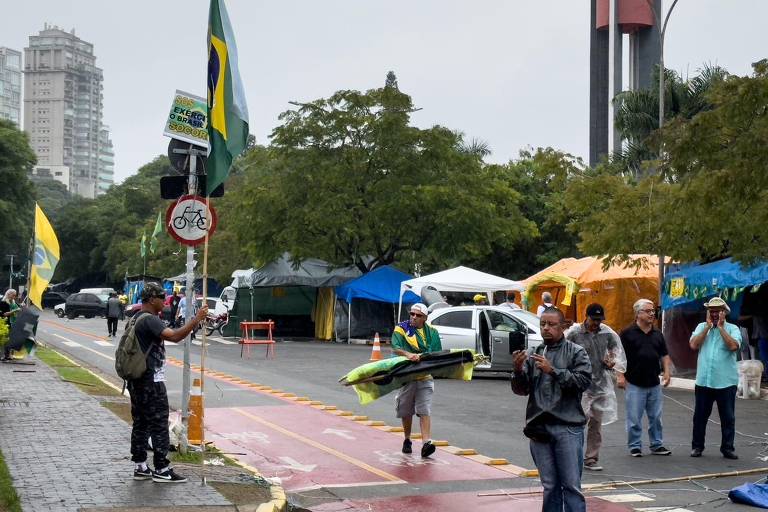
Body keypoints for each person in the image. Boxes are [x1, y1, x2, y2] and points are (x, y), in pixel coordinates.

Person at [512, 307, 592, 512]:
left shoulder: (576, 351)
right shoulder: (533, 353)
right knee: (549, 486)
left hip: (567, 427)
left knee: (571, 486)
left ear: (563, 326)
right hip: (539, 428)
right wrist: (518, 371)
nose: (546, 328)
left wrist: (554, 371)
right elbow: (521, 390)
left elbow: (582, 382)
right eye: (542, 324)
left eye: (551, 324)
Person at [127, 282, 208, 483]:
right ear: (152, 299)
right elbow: (175, 336)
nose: (165, 301)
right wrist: (196, 320)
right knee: (159, 422)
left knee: (141, 422)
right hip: (150, 381)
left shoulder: (135, 318)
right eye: (162, 298)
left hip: (136, 379)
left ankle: (140, 466)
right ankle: (162, 469)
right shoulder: (150, 320)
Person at [564, 303, 626, 471]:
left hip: (599, 384)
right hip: (578, 385)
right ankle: (571, 456)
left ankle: (591, 458)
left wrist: (611, 359)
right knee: (577, 422)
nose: (596, 323)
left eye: (599, 320)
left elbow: (616, 349)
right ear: (586, 316)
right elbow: (563, 350)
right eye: (594, 319)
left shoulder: (606, 332)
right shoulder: (575, 333)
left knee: (595, 424)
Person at [689, 297, 742, 459]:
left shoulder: (733, 328)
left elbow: (733, 346)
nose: (714, 314)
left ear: (724, 313)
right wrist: (707, 328)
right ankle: (697, 447)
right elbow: (693, 345)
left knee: (728, 417)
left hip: (725, 382)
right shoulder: (701, 327)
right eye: (711, 311)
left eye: (718, 311)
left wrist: (720, 328)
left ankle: (727, 448)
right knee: (699, 417)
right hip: (704, 381)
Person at [619, 299, 672, 457]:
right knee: (634, 418)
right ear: (638, 313)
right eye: (648, 311)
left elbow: (664, 354)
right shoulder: (627, 333)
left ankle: (657, 444)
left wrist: (667, 372)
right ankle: (635, 446)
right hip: (634, 383)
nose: (652, 314)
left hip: (654, 382)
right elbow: (619, 356)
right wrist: (620, 376)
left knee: (656, 417)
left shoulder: (657, 334)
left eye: (653, 311)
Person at [391, 303, 442, 458]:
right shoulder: (401, 328)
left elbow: (436, 352)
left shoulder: (432, 332)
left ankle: (426, 442)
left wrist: (422, 357)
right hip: (406, 375)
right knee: (406, 410)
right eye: (412, 314)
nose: (414, 317)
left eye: (418, 315)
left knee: (424, 409)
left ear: (425, 318)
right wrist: (408, 354)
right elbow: (395, 347)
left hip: (425, 376)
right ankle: (407, 439)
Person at [1, 289, 20, 360]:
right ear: (8, 294)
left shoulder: (14, 303)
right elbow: (4, 314)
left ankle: (8, 355)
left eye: (15, 295)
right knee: (5, 340)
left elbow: (19, 309)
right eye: (13, 295)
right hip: (6, 324)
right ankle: (4, 355)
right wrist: (15, 310)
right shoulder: (3, 303)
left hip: (13, 323)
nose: (14, 297)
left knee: (11, 340)